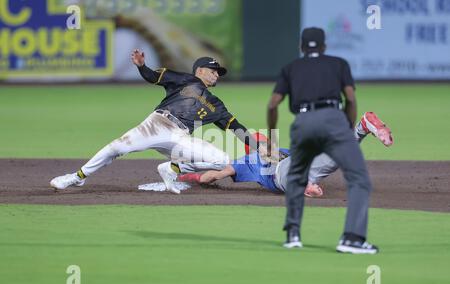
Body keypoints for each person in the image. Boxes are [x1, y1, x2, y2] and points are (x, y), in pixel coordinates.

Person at [50, 50, 264, 194]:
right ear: (199, 71)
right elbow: (153, 76)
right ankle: (78, 176)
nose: (217, 74)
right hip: (157, 124)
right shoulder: (185, 80)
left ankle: (171, 169)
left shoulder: (216, 104)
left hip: (179, 136)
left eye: (218, 72)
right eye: (213, 70)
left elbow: (236, 128)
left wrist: (259, 147)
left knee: (222, 160)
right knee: (117, 147)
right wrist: (142, 66)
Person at [267, 27, 380, 254]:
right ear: (324, 46)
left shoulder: (291, 68)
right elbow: (350, 98)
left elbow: (272, 104)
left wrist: (271, 136)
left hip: (303, 121)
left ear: (301, 47)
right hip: (333, 118)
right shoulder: (338, 63)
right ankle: (352, 238)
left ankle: (293, 235)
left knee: (297, 178)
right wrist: (347, 128)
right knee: (358, 178)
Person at [179, 113, 393, 196]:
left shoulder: (247, 160)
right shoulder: (279, 151)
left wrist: (194, 178)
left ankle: (305, 185)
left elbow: (215, 175)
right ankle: (360, 129)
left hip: (285, 174)